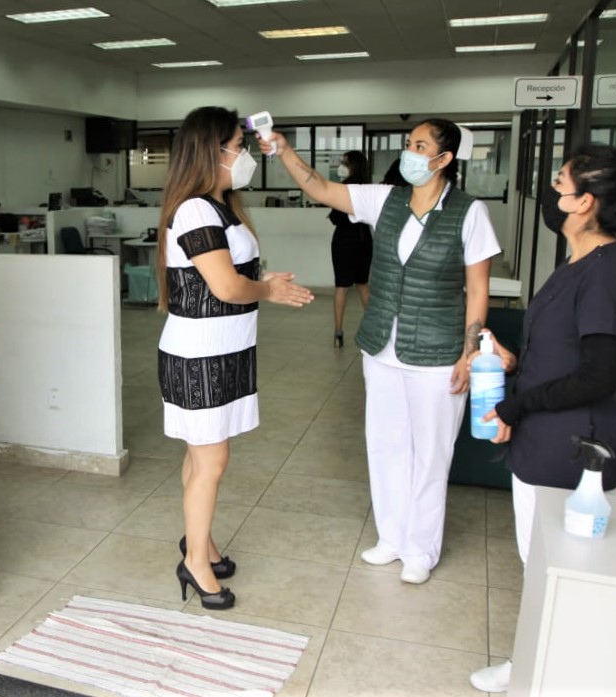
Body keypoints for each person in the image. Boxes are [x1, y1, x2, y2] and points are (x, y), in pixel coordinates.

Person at [468, 143, 616, 693]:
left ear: (585, 202)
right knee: (540, 564)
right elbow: (567, 351)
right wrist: (514, 363)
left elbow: (598, 376)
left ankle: (539, 672)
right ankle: (538, 666)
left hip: (573, 452)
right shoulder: (580, 260)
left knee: (556, 572)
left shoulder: (610, 271)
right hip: (546, 441)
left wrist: (516, 404)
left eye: (560, 183)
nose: (551, 192)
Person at [260, 119, 500, 584]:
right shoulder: (385, 200)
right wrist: (285, 151)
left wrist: (469, 352)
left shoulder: (470, 213)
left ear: (444, 159)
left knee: (430, 453)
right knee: (386, 444)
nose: (410, 152)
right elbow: (321, 188)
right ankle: (391, 538)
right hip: (382, 347)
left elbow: (477, 289)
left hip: (437, 350)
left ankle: (421, 549)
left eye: (420, 146)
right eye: (409, 144)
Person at [156, 106, 314, 610]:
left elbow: (234, 274)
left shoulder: (220, 205)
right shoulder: (195, 210)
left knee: (200, 454)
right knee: (211, 459)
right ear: (212, 151)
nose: (243, 155)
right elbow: (224, 285)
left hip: (225, 349)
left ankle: (199, 542)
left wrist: (266, 285)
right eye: (236, 146)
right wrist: (267, 291)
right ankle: (195, 564)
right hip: (198, 353)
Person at [328, 150, 372, 348]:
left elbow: (337, 217)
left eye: (345, 162)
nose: (342, 166)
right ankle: (374, 329)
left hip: (344, 241)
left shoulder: (344, 188)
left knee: (341, 287)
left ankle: (338, 332)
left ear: (353, 165)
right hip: (364, 240)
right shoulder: (369, 188)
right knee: (362, 285)